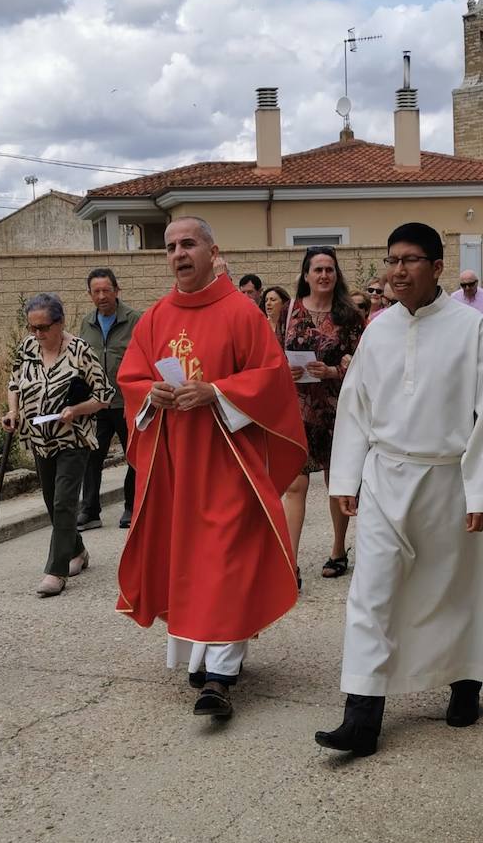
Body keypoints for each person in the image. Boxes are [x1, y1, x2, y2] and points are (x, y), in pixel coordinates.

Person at [315, 222, 483, 757]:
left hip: (450, 479)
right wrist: (346, 478)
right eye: (392, 260)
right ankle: (361, 715)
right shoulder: (378, 330)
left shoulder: (471, 328)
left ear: (436, 268)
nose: (397, 270)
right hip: (387, 477)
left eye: (410, 260)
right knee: (372, 592)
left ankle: (464, 682)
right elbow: (355, 409)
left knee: (455, 588)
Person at [116, 216, 307, 719]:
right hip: (176, 461)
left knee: (226, 558)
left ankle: (221, 674)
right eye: (171, 246)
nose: (179, 253)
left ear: (212, 251)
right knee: (189, 560)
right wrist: (150, 394)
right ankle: (202, 657)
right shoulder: (155, 318)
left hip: (227, 462)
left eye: (189, 244)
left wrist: (216, 391)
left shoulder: (241, 314)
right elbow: (131, 377)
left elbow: (270, 379)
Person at [3, 293, 112, 597]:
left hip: (72, 439)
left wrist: (75, 410)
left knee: (65, 502)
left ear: (60, 322)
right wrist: (13, 411)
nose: (38, 334)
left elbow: (104, 397)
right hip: (39, 438)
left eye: (43, 328)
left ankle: (56, 571)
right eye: (32, 328)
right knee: (53, 504)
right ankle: (77, 551)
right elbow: (14, 383)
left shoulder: (79, 351)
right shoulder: (27, 348)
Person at [279, 247, 365, 582]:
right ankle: (290, 563)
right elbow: (272, 358)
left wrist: (332, 371)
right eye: (318, 270)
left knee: (336, 483)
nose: (324, 275)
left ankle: (338, 549)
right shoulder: (289, 312)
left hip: (338, 410)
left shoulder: (349, 315)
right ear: (305, 275)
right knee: (294, 485)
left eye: (330, 269)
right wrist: (286, 372)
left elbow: (365, 365)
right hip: (298, 410)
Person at [78, 268, 142, 531]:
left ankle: (131, 506)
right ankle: (90, 511)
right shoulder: (86, 322)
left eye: (107, 290)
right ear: (90, 294)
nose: (102, 296)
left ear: (117, 291)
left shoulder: (135, 320)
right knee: (91, 458)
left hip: (127, 403)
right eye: (97, 291)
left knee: (134, 456)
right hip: (97, 403)